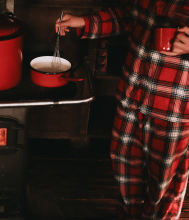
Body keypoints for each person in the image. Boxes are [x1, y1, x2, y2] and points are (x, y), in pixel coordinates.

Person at [56, 1, 189, 219]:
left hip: (174, 110)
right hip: (131, 98)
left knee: (163, 188)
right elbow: (125, 16)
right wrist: (84, 22)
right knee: (126, 174)